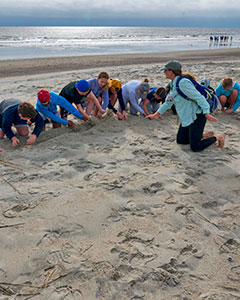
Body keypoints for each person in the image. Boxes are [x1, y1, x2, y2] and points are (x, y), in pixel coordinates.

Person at [146, 60, 225, 152]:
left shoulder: (183, 83)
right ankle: (203, 135)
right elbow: (168, 102)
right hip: (187, 117)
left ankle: (219, 137)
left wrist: (206, 113)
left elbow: (199, 98)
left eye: (166, 70)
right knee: (181, 141)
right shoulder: (173, 84)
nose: (164, 72)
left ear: (171, 71)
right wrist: (156, 114)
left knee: (196, 147)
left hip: (197, 116)